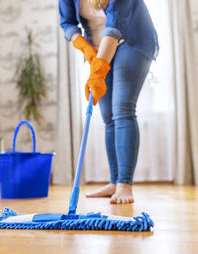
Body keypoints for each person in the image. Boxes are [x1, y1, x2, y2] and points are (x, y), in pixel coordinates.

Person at [59, 0, 159, 204]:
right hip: (97, 48)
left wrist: (98, 70)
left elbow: (114, 27)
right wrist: (84, 47)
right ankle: (114, 182)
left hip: (132, 42)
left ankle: (124, 184)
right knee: (107, 116)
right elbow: (67, 23)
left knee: (122, 108)